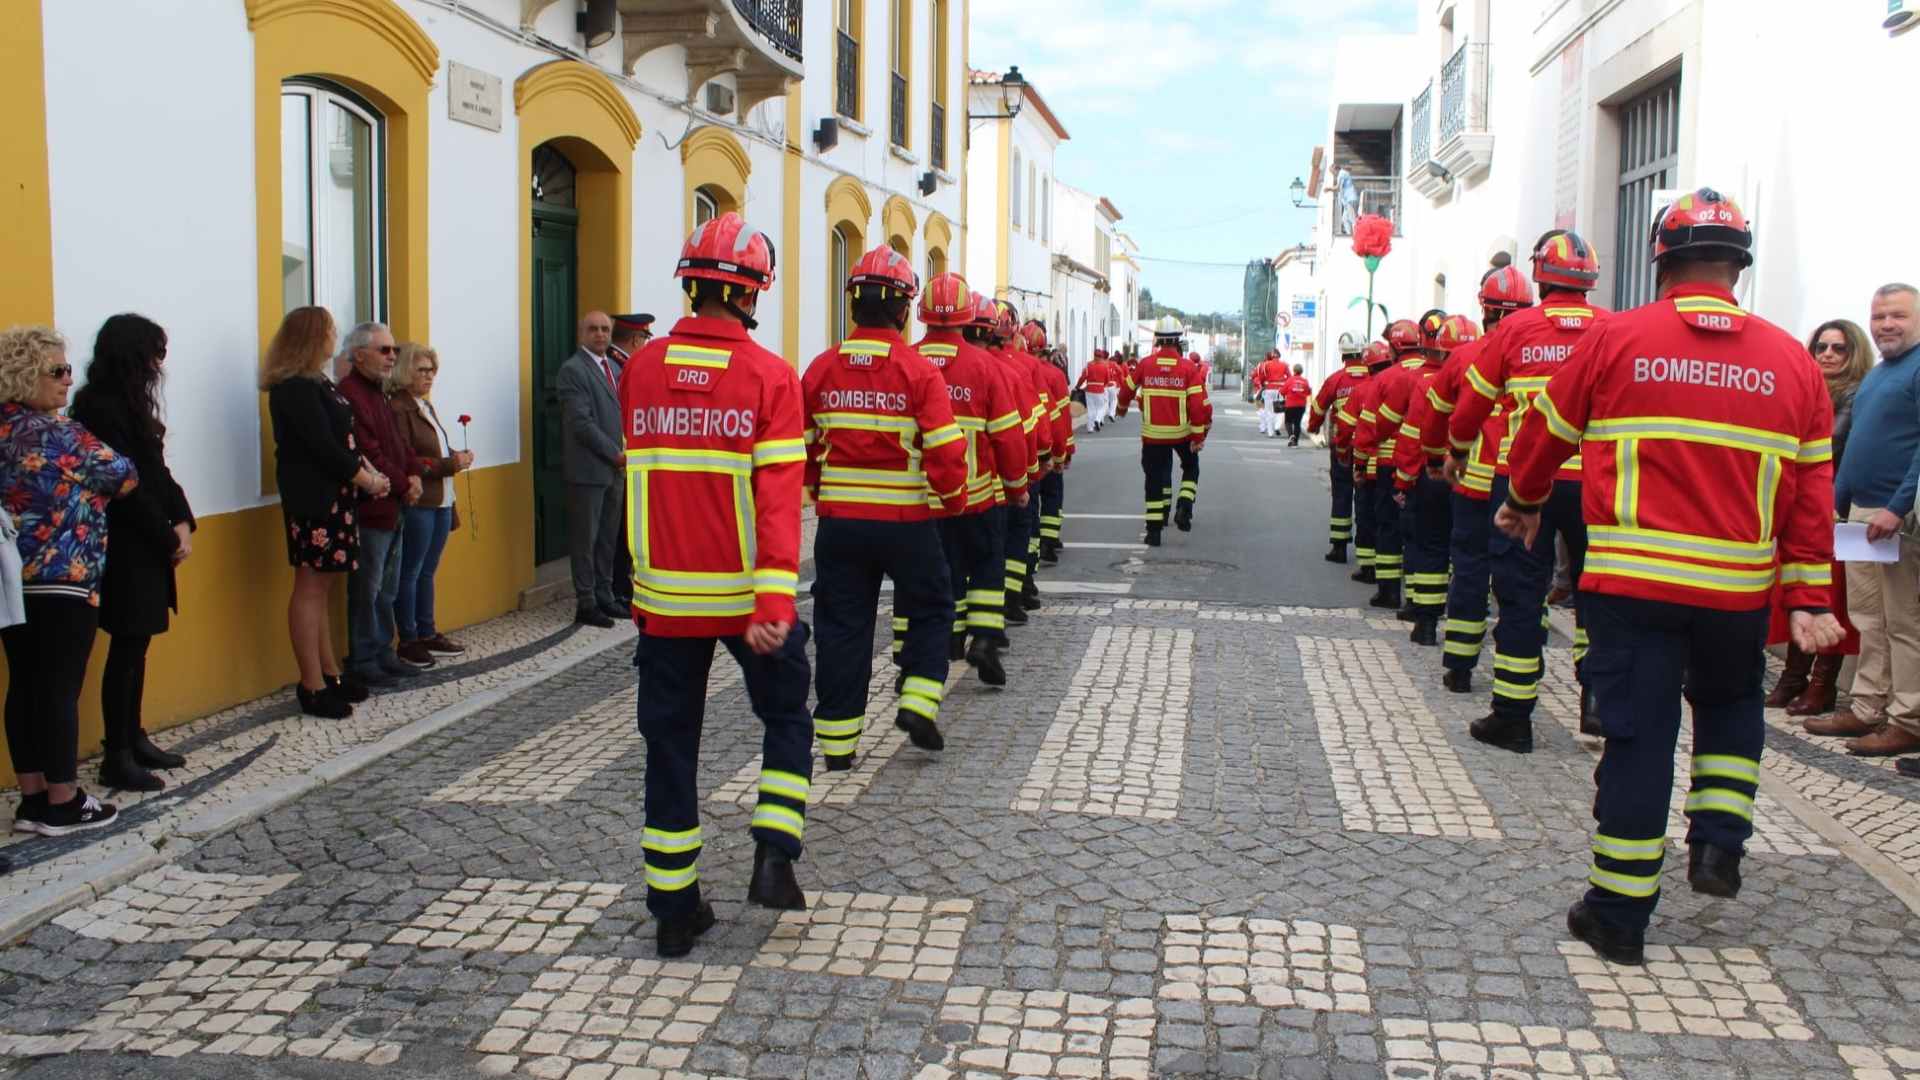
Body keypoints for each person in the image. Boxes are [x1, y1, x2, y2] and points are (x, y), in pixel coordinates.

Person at [1497, 187, 1842, 964]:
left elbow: (1546, 430)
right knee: (1728, 706)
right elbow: (1812, 492)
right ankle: (1719, 843)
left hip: (1631, 587)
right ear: (1738, 268)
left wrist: (1522, 502)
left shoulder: (1620, 338)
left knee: (1639, 740)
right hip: (1736, 592)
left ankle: (1619, 915)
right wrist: (1809, 596)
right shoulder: (1793, 362)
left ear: (1663, 261)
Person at [620, 212, 813, 958]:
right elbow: (777, 500)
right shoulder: (770, 377)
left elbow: (646, 482)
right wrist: (772, 603)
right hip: (744, 601)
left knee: (670, 749)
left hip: (665, 602)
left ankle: (674, 909)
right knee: (788, 717)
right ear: (752, 292)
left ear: (692, 284)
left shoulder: (641, 368)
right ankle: (773, 854)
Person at [806, 247, 969, 772]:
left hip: (839, 527)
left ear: (853, 301)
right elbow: (946, 452)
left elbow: (803, 446)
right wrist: (954, 500)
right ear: (903, 310)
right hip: (906, 523)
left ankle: (836, 744)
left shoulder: (821, 368)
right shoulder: (918, 372)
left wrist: (820, 490)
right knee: (931, 607)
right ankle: (918, 704)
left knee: (842, 627)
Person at [1450, 231, 1610, 750]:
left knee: (1521, 597)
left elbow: (1474, 402)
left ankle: (1513, 717)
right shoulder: (1615, 329)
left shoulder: (1516, 329)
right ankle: (1598, 705)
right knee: (1598, 599)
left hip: (1525, 484)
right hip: (1598, 487)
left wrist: (1455, 448)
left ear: (1541, 277)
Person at [1, 324, 135, 834]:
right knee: (59, 687)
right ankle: (64, 801)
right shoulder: (60, 433)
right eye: (56, 371)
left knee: (24, 685)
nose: (66, 381)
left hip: (11, 580)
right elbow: (123, 475)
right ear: (24, 376)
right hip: (64, 575)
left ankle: (32, 795)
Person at [68, 314, 195, 792]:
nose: (159, 363)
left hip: (146, 538)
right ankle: (116, 753)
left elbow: (156, 471)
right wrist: (166, 535)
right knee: (126, 646)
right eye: (154, 353)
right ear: (132, 355)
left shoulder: (130, 405)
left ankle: (132, 734)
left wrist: (182, 519)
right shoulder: (98, 407)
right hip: (121, 541)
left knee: (137, 643)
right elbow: (124, 485)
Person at [1808, 284, 1920, 758]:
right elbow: (1855, 445)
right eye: (1878, 317)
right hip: (1859, 515)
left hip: (1894, 516)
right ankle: (1869, 706)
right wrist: (1839, 502)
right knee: (1867, 618)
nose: (1886, 325)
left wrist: (1898, 505)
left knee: (1903, 621)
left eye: (1896, 315)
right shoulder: (1879, 374)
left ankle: (1908, 718)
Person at [1417, 264, 1535, 691]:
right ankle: (1526, 664)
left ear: (1484, 309)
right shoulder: (1543, 353)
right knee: (1523, 580)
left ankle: (1461, 666)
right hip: (1525, 487)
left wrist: (1435, 459)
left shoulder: (1468, 356)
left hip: (1471, 483)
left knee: (1468, 570)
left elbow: (1437, 413)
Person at [266, 308, 387, 718]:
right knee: (310, 587)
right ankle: (311, 684)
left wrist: (368, 471)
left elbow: (343, 438)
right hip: (314, 499)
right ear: (313, 337)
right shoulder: (294, 387)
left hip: (336, 496)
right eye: (331, 330)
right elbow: (320, 444)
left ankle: (330, 672)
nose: (335, 336)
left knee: (325, 588)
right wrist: (365, 480)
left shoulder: (318, 381)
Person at [914, 280, 1031, 686]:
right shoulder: (985, 368)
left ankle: (945, 638)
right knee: (985, 566)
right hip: (977, 496)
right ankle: (983, 639)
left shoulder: (908, 361)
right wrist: (1017, 488)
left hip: (917, 499)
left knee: (939, 570)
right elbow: (1008, 436)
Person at [1764, 319, 1870, 715]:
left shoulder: (1857, 397)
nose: (1827, 354)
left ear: (1853, 353)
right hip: (1805, 508)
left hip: (1837, 510)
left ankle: (1821, 684)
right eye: (1820, 346)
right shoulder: (1806, 389)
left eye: (1838, 348)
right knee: (1798, 592)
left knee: (1831, 601)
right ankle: (1793, 678)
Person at [335, 322, 424, 685]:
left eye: (394, 350)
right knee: (366, 588)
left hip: (395, 504)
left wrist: (415, 473)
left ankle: (384, 651)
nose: (392, 357)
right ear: (359, 355)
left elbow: (398, 445)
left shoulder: (378, 393)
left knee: (387, 588)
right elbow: (368, 451)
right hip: (371, 507)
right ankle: (363, 657)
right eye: (384, 350)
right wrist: (405, 485)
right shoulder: (351, 394)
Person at [1391, 314, 1479, 646]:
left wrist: (1407, 476)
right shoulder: (1491, 379)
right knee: (1471, 555)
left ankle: (1426, 623)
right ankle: (1469, 621)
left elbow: (1413, 433)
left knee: (1431, 547)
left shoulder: (1428, 384)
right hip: (1475, 476)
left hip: (1434, 473)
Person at [387, 344, 473, 665]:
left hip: (440, 499)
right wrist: (451, 464)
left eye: (431, 370)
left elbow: (435, 448)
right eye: (421, 370)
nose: (429, 376)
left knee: (428, 570)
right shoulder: (399, 409)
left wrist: (456, 456)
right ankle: (408, 638)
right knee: (410, 571)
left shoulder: (424, 406)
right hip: (420, 499)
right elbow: (410, 459)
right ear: (404, 371)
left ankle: (427, 630)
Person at [556, 311, 628, 628]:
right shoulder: (573, 370)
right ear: (581, 333)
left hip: (615, 470)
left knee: (608, 539)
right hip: (588, 470)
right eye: (593, 329)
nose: (600, 334)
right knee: (585, 540)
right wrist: (615, 454)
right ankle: (586, 602)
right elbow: (580, 423)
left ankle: (606, 594)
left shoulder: (612, 367)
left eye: (604, 329)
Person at [1116, 316, 1210, 546]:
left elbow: (1126, 390)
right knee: (1191, 468)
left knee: (1154, 481)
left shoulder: (1145, 365)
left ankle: (1154, 531)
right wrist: (1198, 437)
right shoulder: (1188, 368)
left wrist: (1121, 409)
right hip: (1181, 434)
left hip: (1153, 436)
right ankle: (1184, 509)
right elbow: (1198, 405)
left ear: (1157, 339)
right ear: (1179, 340)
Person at [1350, 320, 1423, 607]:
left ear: (1394, 347)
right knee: (1422, 531)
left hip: (1389, 461)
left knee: (1388, 527)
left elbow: (1370, 426)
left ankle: (1389, 591)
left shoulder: (1387, 378)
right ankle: (1420, 599)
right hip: (1427, 461)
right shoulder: (1436, 374)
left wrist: (1359, 461)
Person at [988, 302, 1051, 622]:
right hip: (1012, 470)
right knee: (1019, 531)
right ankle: (1015, 593)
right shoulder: (1024, 367)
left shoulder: (971, 363)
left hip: (969, 478)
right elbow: (1033, 421)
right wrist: (1040, 462)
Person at [1309, 334, 1369, 562]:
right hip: (1369, 447)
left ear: (1342, 353)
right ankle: (1367, 553)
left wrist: (1313, 427)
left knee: (1342, 494)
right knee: (1365, 499)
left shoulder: (1336, 379)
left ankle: (1339, 547)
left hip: (1341, 446)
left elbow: (1318, 406)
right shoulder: (1375, 377)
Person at [1024, 325, 1074, 566]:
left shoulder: (1015, 369)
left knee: (1031, 501)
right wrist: (1065, 451)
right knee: (1053, 494)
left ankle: (1032, 545)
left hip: (1026, 449)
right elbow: (1062, 415)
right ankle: (1049, 541)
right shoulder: (1055, 375)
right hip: (1050, 444)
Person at [1251, 350, 1288, 439]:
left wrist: (1263, 384)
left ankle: (1270, 432)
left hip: (1269, 388)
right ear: (1279, 356)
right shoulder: (1284, 365)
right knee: (1280, 409)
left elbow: (1262, 377)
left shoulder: (1265, 365)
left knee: (1269, 410)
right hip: (1280, 389)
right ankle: (1277, 426)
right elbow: (1289, 377)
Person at [1076, 349, 1113, 432]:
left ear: (1094, 355)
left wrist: (1078, 386)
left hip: (1089, 389)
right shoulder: (1104, 366)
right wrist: (1103, 385)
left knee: (1090, 408)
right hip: (1100, 389)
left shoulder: (1088, 365)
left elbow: (1083, 377)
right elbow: (1107, 380)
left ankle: (1090, 427)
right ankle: (1097, 419)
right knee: (1101, 406)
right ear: (1101, 357)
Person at [1282, 363, 1312, 445]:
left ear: (1294, 371)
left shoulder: (1290, 380)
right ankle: (1295, 441)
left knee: (1288, 422)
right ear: (1301, 371)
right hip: (1301, 406)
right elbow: (1309, 392)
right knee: (1297, 423)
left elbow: (1282, 391)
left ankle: (1291, 436)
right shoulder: (1305, 381)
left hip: (1290, 405)